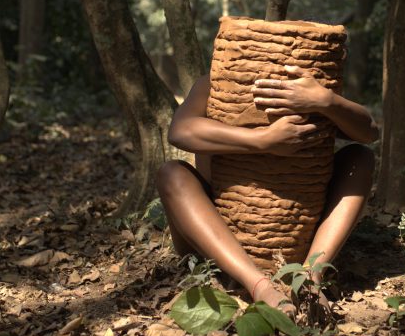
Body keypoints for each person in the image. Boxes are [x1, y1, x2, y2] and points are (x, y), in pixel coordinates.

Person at [156, 64, 378, 313]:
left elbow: (370, 132)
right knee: (171, 174)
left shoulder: (306, 86)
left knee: (360, 158)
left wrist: (327, 102)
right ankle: (258, 285)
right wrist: (263, 140)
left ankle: (310, 276)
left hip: (299, 231)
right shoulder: (216, 82)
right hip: (214, 235)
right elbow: (180, 132)